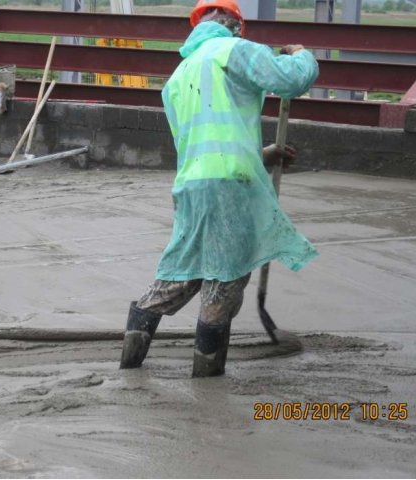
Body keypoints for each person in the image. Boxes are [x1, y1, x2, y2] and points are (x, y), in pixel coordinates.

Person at [119, 0, 320, 377]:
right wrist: (303, 54)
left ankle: (131, 356)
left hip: (192, 186)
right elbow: (292, 79)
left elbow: (200, 143)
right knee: (223, 280)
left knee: (183, 272)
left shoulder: (179, 76)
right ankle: (207, 384)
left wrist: (262, 154)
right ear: (234, 25)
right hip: (231, 187)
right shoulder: (233, 50)